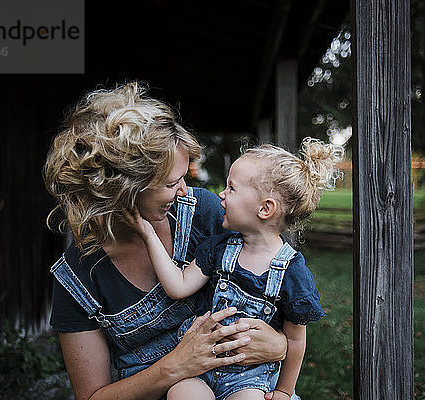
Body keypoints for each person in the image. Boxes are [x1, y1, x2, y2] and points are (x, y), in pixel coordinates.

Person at [44, 82, 289, 400]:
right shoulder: (78, 278)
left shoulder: (207, 216)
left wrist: (279, 344)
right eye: (172, 182)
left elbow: (282, 298)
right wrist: (177, 365)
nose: (185, 191)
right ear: (124, 188)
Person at [125, 138, 343, 400]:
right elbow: (178, 286)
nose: (222, 194)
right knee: (182, 394)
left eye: (232, 188)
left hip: (249, 378)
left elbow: (295, 340)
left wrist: (284, 391)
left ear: (265, 208)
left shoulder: (292, 273)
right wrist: (149, 234)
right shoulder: (219, 248)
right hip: (200, 366)